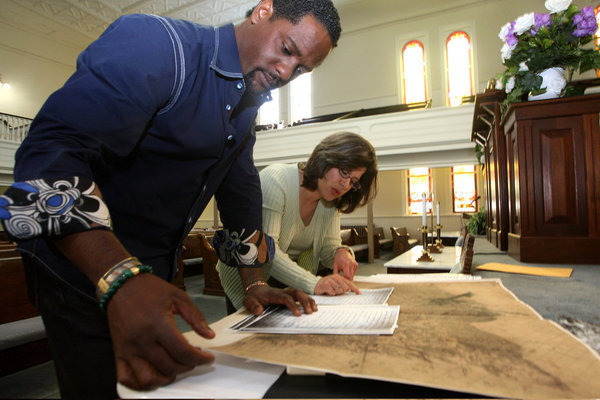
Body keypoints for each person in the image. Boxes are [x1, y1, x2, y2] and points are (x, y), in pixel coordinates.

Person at [0, 0, 341, 398]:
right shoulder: (158, 44)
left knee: (147, 385)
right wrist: (121, 278)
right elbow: (47, 160)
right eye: (287, 49)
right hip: (83, 267)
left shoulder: (247, 100)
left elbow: (239, 193)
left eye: (302, 69)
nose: (286, 72)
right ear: (262, 11)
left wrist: (254, 284)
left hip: (148, 273)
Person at [217, 132, 378, 313]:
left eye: (353, 181)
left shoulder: (331, 201)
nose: (345, 184)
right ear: (326, 156)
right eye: (344, 171)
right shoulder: (276, 180)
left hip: (284, 277)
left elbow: (328, 247)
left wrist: (341, 252)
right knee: (248, 333)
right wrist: (314, 283)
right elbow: (268, 251)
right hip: (246, 277)